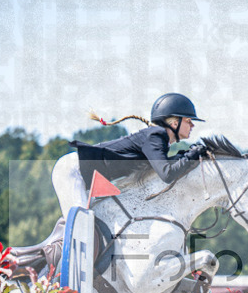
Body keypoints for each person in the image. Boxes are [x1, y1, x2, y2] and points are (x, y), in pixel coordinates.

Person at [52, 93, 208, 220]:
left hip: (88, 179)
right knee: (81, 224)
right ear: (174, 123)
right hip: (74, 170)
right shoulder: (156, 136)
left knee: (97, 223)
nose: (192, 125)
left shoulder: (158, 139)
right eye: (189, 121)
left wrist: (187, 155)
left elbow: (165, 167)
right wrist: (191, 155)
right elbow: (166, 174)